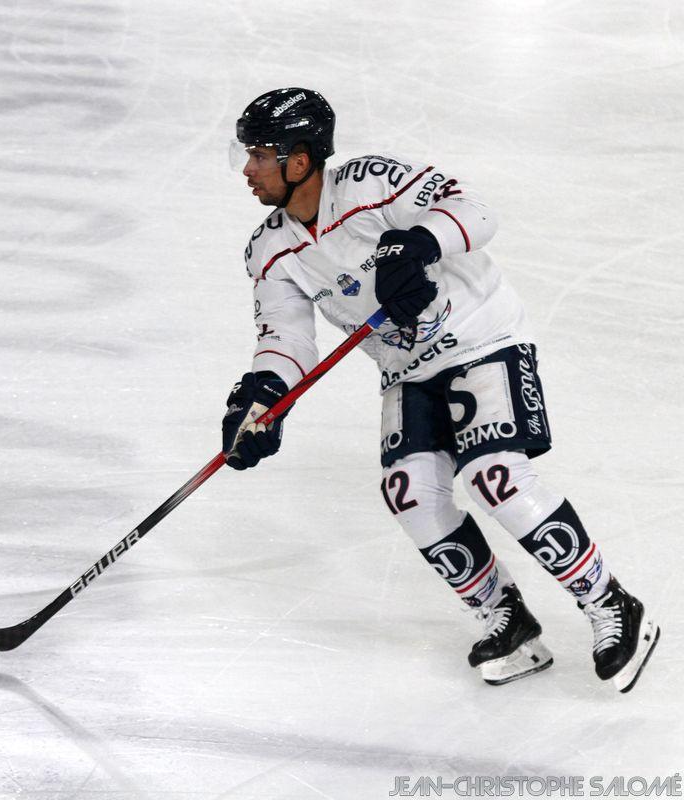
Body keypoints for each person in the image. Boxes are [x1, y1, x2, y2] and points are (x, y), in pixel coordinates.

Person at [221, 87, 659, 691]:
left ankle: (610, 601)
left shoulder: (373, 182)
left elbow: (475, 209)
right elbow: (287, 341)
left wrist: (418, 242)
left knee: (494, 476)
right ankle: (508, 619)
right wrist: (262, 398)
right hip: (407, 370)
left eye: (261, 154)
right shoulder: (269, 249)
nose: (248, 169)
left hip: (482, 337)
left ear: (300, 159)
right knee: (408, 492)